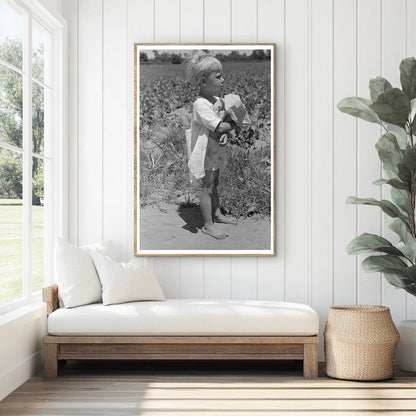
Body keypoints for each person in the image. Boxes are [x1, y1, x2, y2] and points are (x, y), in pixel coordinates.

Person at [184, 51, 243, 240]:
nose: (223, 80)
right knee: (207, 187)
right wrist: (236, 124)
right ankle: (208, 225)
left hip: (215, 147)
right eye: (218, 77)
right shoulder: (200, 105)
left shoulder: (216, 101)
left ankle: (217, 214)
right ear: (203, 81)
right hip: (205, 152)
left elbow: (221, 124)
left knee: (215, 183)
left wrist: (226, 131)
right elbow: (220, 125)